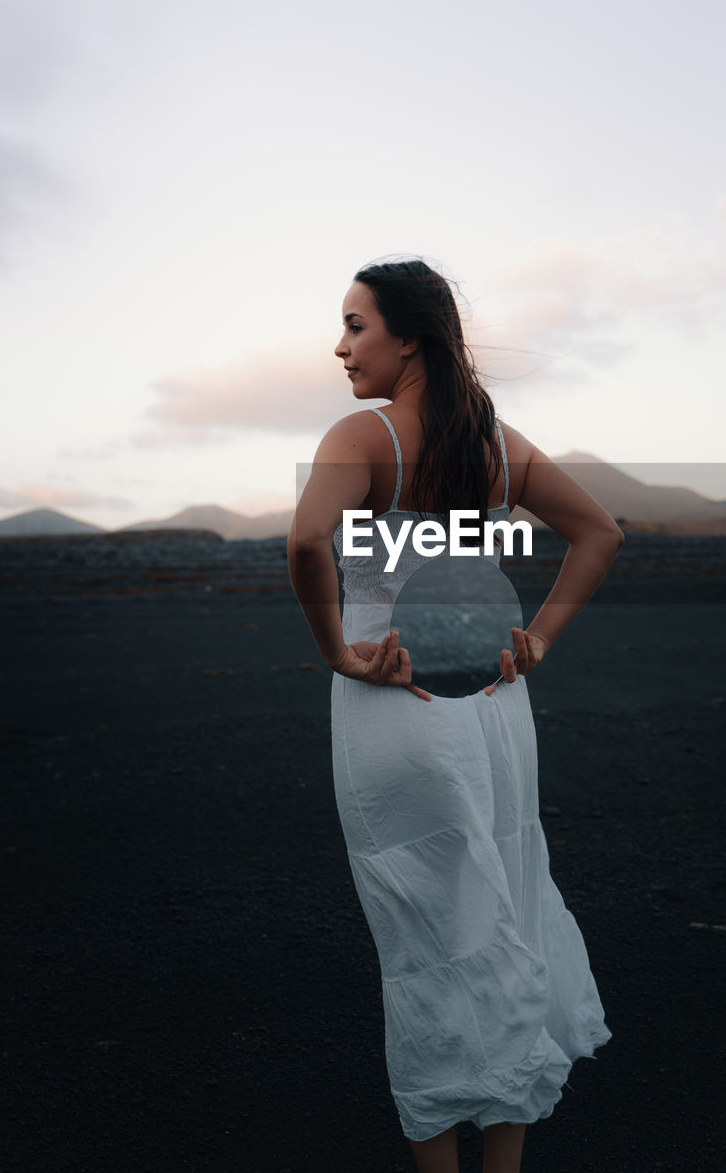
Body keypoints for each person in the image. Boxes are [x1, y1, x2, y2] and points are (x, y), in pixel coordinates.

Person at [288, 258, 624, 1173]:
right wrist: (541, 640)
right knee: (502, 917)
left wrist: (335, 652)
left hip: (392, 708)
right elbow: (602, 532)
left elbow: (307, 539)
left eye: (357, 325)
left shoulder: (361, 438)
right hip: (494, 714)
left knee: (426, 948)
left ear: (412, 337)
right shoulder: (496, 443)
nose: (341, 344)